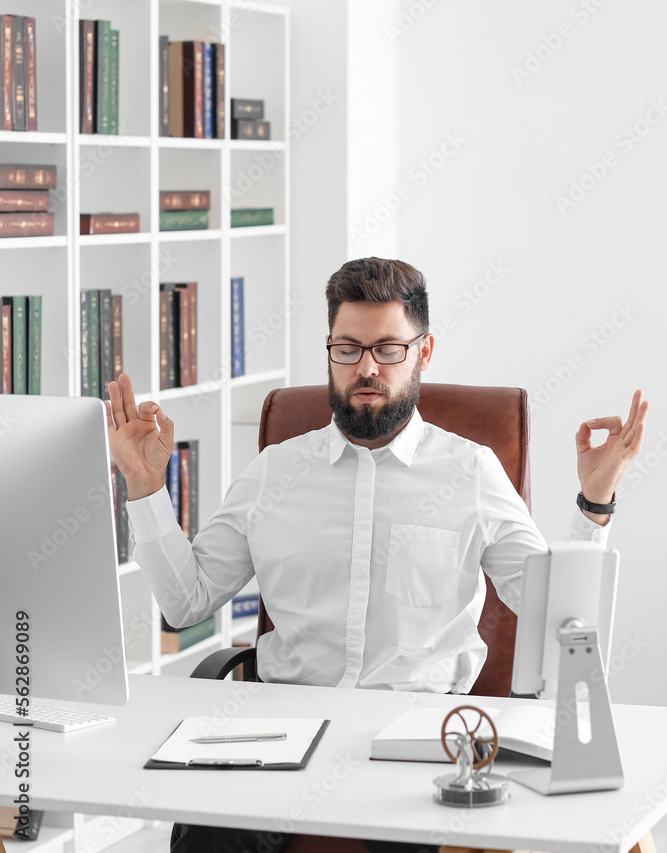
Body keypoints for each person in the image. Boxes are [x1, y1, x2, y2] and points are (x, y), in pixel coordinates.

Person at [105, 257, 648, 853]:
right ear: (330, 350)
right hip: (281, 730)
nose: (367, 368)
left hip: (415, 738)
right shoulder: (275, 473)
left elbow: (559, 628)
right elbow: (186, 604)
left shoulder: (469, 472)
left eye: (388, 348)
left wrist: (593, 503)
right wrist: (145, 486)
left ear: (424, 350)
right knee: (208, 839)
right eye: (349, 348)